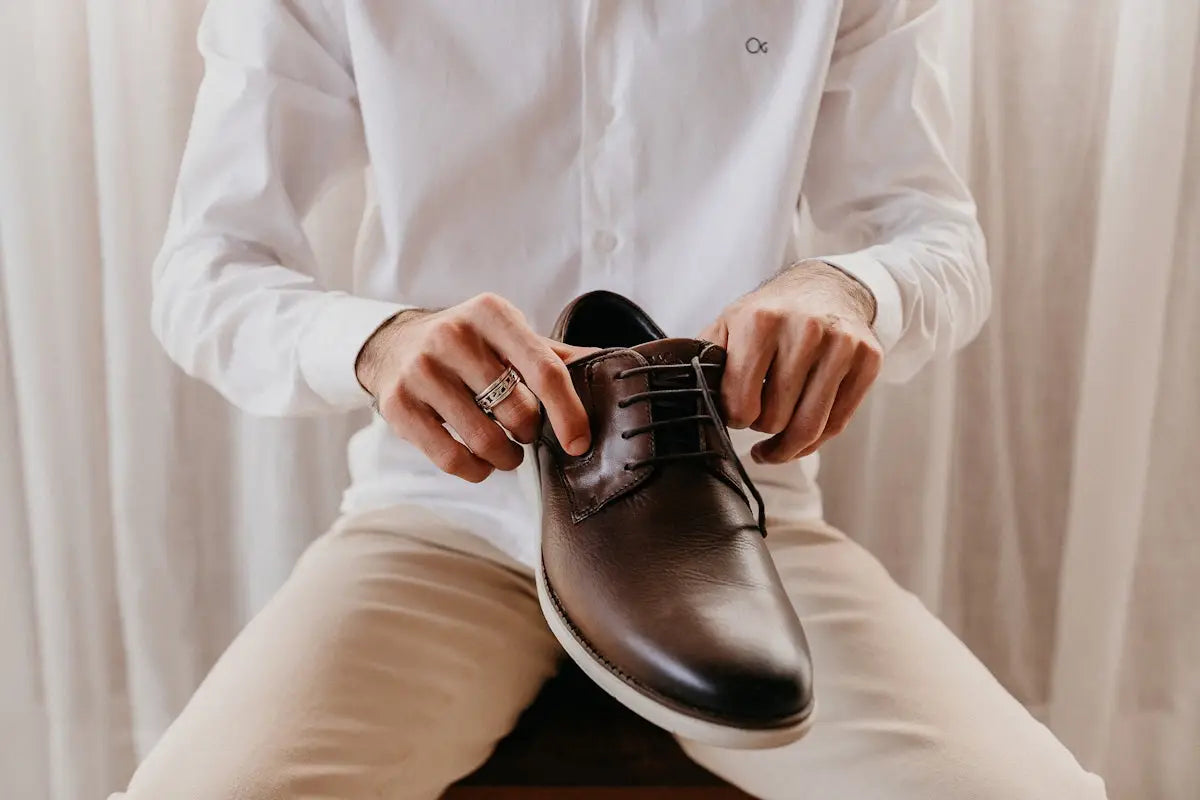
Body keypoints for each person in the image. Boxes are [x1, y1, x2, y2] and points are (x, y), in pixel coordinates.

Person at [113, 1, 1107, 798]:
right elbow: (207, 266)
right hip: (444, 526)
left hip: (732, 532)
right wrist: (374, 341)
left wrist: (853, 289)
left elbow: (934, 235)